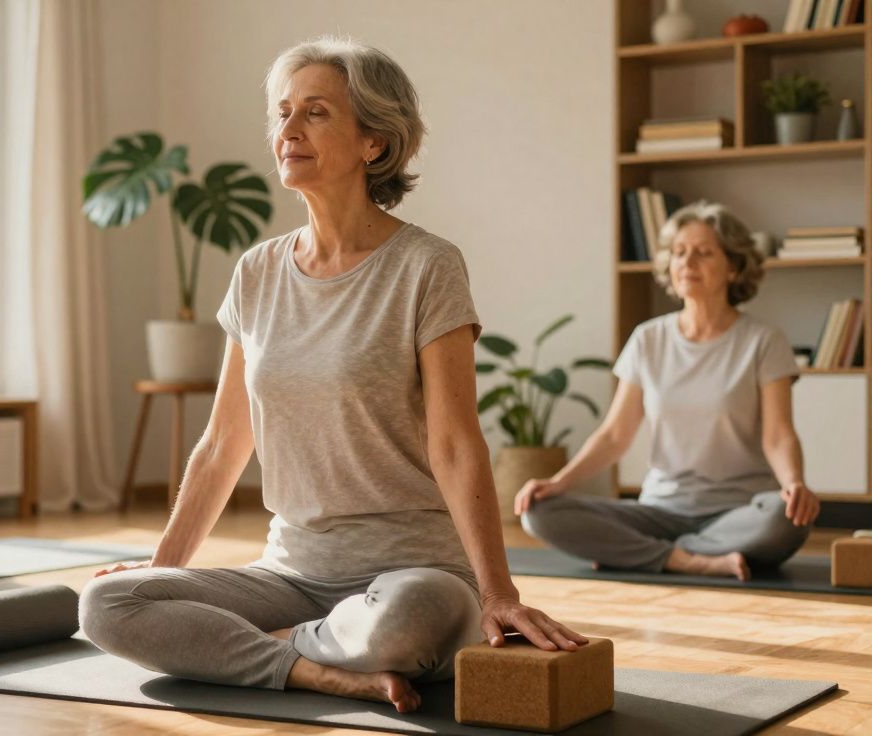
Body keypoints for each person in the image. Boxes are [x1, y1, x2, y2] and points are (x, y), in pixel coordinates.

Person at [78, 37, 585, 714]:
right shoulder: (257, 273)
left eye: (314, 113)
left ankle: (270, 649)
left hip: (414, 573)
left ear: (374, 143)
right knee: (107, 603)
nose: (287, 131)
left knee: (407, 623)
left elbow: (456, 444)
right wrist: (164, 568)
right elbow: (223, 445)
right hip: (290, 573)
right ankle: (311, 667)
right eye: (282, 113)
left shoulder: (426, 266)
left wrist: (498, 594)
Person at [517, 201, 818, 581]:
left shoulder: (763, 341)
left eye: (703, 252)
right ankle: (689, 559)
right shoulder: (648, 339)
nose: (687, 262)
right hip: (659, 511)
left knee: (784, 518)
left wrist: (793, 484)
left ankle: (640, 555)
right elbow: (614, 435)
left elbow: (778, 435)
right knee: (539, 512)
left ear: (734, 266)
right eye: (679, 252)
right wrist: (558, 482)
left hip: (737, 512)